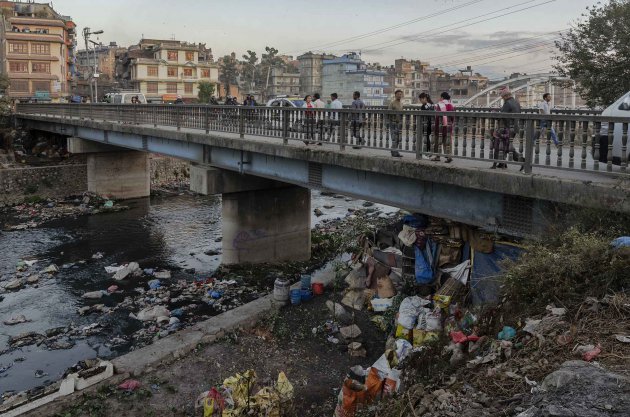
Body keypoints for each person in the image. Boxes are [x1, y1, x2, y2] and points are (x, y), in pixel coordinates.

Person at [492, 86, 521, 169]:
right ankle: (502, 163)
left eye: (502, 97)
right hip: (514, 128)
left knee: (503, 146)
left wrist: (494, 113)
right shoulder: (516, 102)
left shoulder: (507, 103)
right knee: (506, 146)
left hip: (506, 128)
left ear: (505, 96)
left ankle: (523, 161)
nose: (502, 98)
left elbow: (502, 116)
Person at [431, 92, 454, 162]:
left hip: (440, 127)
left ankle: (437, 157)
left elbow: (437, 116)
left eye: (440, 97)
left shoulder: (440, 104)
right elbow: (452, 117)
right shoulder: (451, 105)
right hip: (448, 127)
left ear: (442, 97)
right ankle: (449, 156)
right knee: (447, 142)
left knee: (438, 142)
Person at [388, 89, 404, 157]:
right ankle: (394, 152)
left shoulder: (401, 103)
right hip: (393, 123)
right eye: (398, 94)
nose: (399, 96)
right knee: (394, 138)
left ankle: (395, 151)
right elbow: (388, 113)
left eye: (400, 94)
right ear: (395, 95)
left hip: (399, 123)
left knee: (398, 138)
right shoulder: (392, 103)